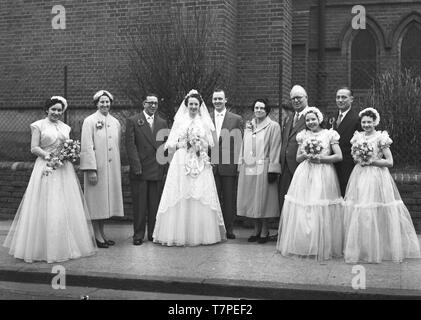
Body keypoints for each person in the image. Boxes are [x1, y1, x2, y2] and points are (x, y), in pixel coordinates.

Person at [3, 96, 97, 263]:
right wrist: (49, 156)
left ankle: (66, 245)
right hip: (45, 167)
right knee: (45, 203)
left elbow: (68, 145)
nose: (56, 112)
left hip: (63, 169)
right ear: (47, 110)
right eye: (53, 109)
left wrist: (70, 153)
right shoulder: (38, 125)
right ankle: (40, 247)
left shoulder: (66, 127)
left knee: (63, 203)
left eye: (59, 110)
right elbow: (34, 148)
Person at [343, 108, 420, 263]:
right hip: (360, 176)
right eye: (364, 122)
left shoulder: (381, 138)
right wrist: (360, 158)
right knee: (361, 211)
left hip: (376, 177)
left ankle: (379, 248)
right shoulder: (357, 137)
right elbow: (354, 157)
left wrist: (372, 161)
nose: (366, 125)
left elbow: (390, 162)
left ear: (375, 122)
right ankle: (363, 248)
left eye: (369, 122)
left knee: (376, 210)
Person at [153, 89, 226, 246]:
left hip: (200, 160)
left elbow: (211, 143)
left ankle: (200, 234)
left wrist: (199, 144)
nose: (193, 107)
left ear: (200, 106)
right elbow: (170, 143)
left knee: (199, 194)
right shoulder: (180, 121)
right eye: (191, 104)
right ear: (187, 105)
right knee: (181, 193)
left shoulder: (204, 122)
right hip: (182, 160)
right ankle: (179, 233)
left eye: (196, 104)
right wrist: (185, 143)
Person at [277, 107, 344, 260]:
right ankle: (304, 244)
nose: (310, 122)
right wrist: (307, 154)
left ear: (319, 119)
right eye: (308, 120)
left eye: (313, 119)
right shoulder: (303, 135)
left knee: (320, 206)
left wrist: (321, 158)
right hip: (305, 173)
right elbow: (298, 157)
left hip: (323, 173)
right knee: (304, 207)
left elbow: (338, 156)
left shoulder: (329, 134)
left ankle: (320, 244)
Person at [80, 90, 124, 248]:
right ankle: (96, 236)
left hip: (111, 170)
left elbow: (117, 146)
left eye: (107, 102)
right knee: (96, 202)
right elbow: (86, 147)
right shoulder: (89, 121)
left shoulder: (116, 122)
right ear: (96, 104)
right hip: (97, 169)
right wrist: (91, 169)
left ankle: (102, 233)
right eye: (102, 102)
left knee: (106, 204)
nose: (105, 104)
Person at [125, 93, 168, 246]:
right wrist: (137, 166)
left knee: (154, 204)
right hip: (141, 170)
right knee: (140, 205)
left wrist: (163, 166)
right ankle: (138, 234)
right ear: (144, 104)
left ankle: (152, 233)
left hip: (156, 168)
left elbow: (164, 147)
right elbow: (130, 146)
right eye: (150, 103)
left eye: (155, 103)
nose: (153, 106)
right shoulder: (134, 121)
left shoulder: (162, 123)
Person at [237, 99, 281, 243]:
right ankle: (256, 229)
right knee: (252, 199)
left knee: (264, 200)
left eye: (262, 108)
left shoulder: (273, 126)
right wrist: (240, 164)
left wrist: (273, 168)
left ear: (267, 110)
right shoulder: (249, 126)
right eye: (256, 107)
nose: (259, 110)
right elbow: (244, 146)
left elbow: (275, 147)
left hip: (264, 167)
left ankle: (265, 230)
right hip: (249, 166)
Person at [210, 89, 243, 239]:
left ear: (225, 100)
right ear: (212, 101)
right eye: (215, 99)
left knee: (229, 199)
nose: (217, 101)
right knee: (212, 199)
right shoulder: (206, 118)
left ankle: (229, 229)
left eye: (220, 99)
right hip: (210, 165)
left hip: (229, 164)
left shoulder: (236, 119)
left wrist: (238, 164)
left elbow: (239, 144)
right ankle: (214, 229)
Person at [279, 85, 310, 210]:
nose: (296, 101)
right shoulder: (289, 118)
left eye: (299, 98)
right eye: (293, 99)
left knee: (300, 200)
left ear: (306, 98)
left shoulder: (312, 116)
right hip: (285, 165)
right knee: (285, 198)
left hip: (302, 165)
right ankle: (285, 228)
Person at [332, 87, 361, 197]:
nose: (340, 100)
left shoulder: (357, 119)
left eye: (344, 97)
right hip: (331, 165)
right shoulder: (332, 117)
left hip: (347, 166)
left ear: (351, 99)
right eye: (338, 97)